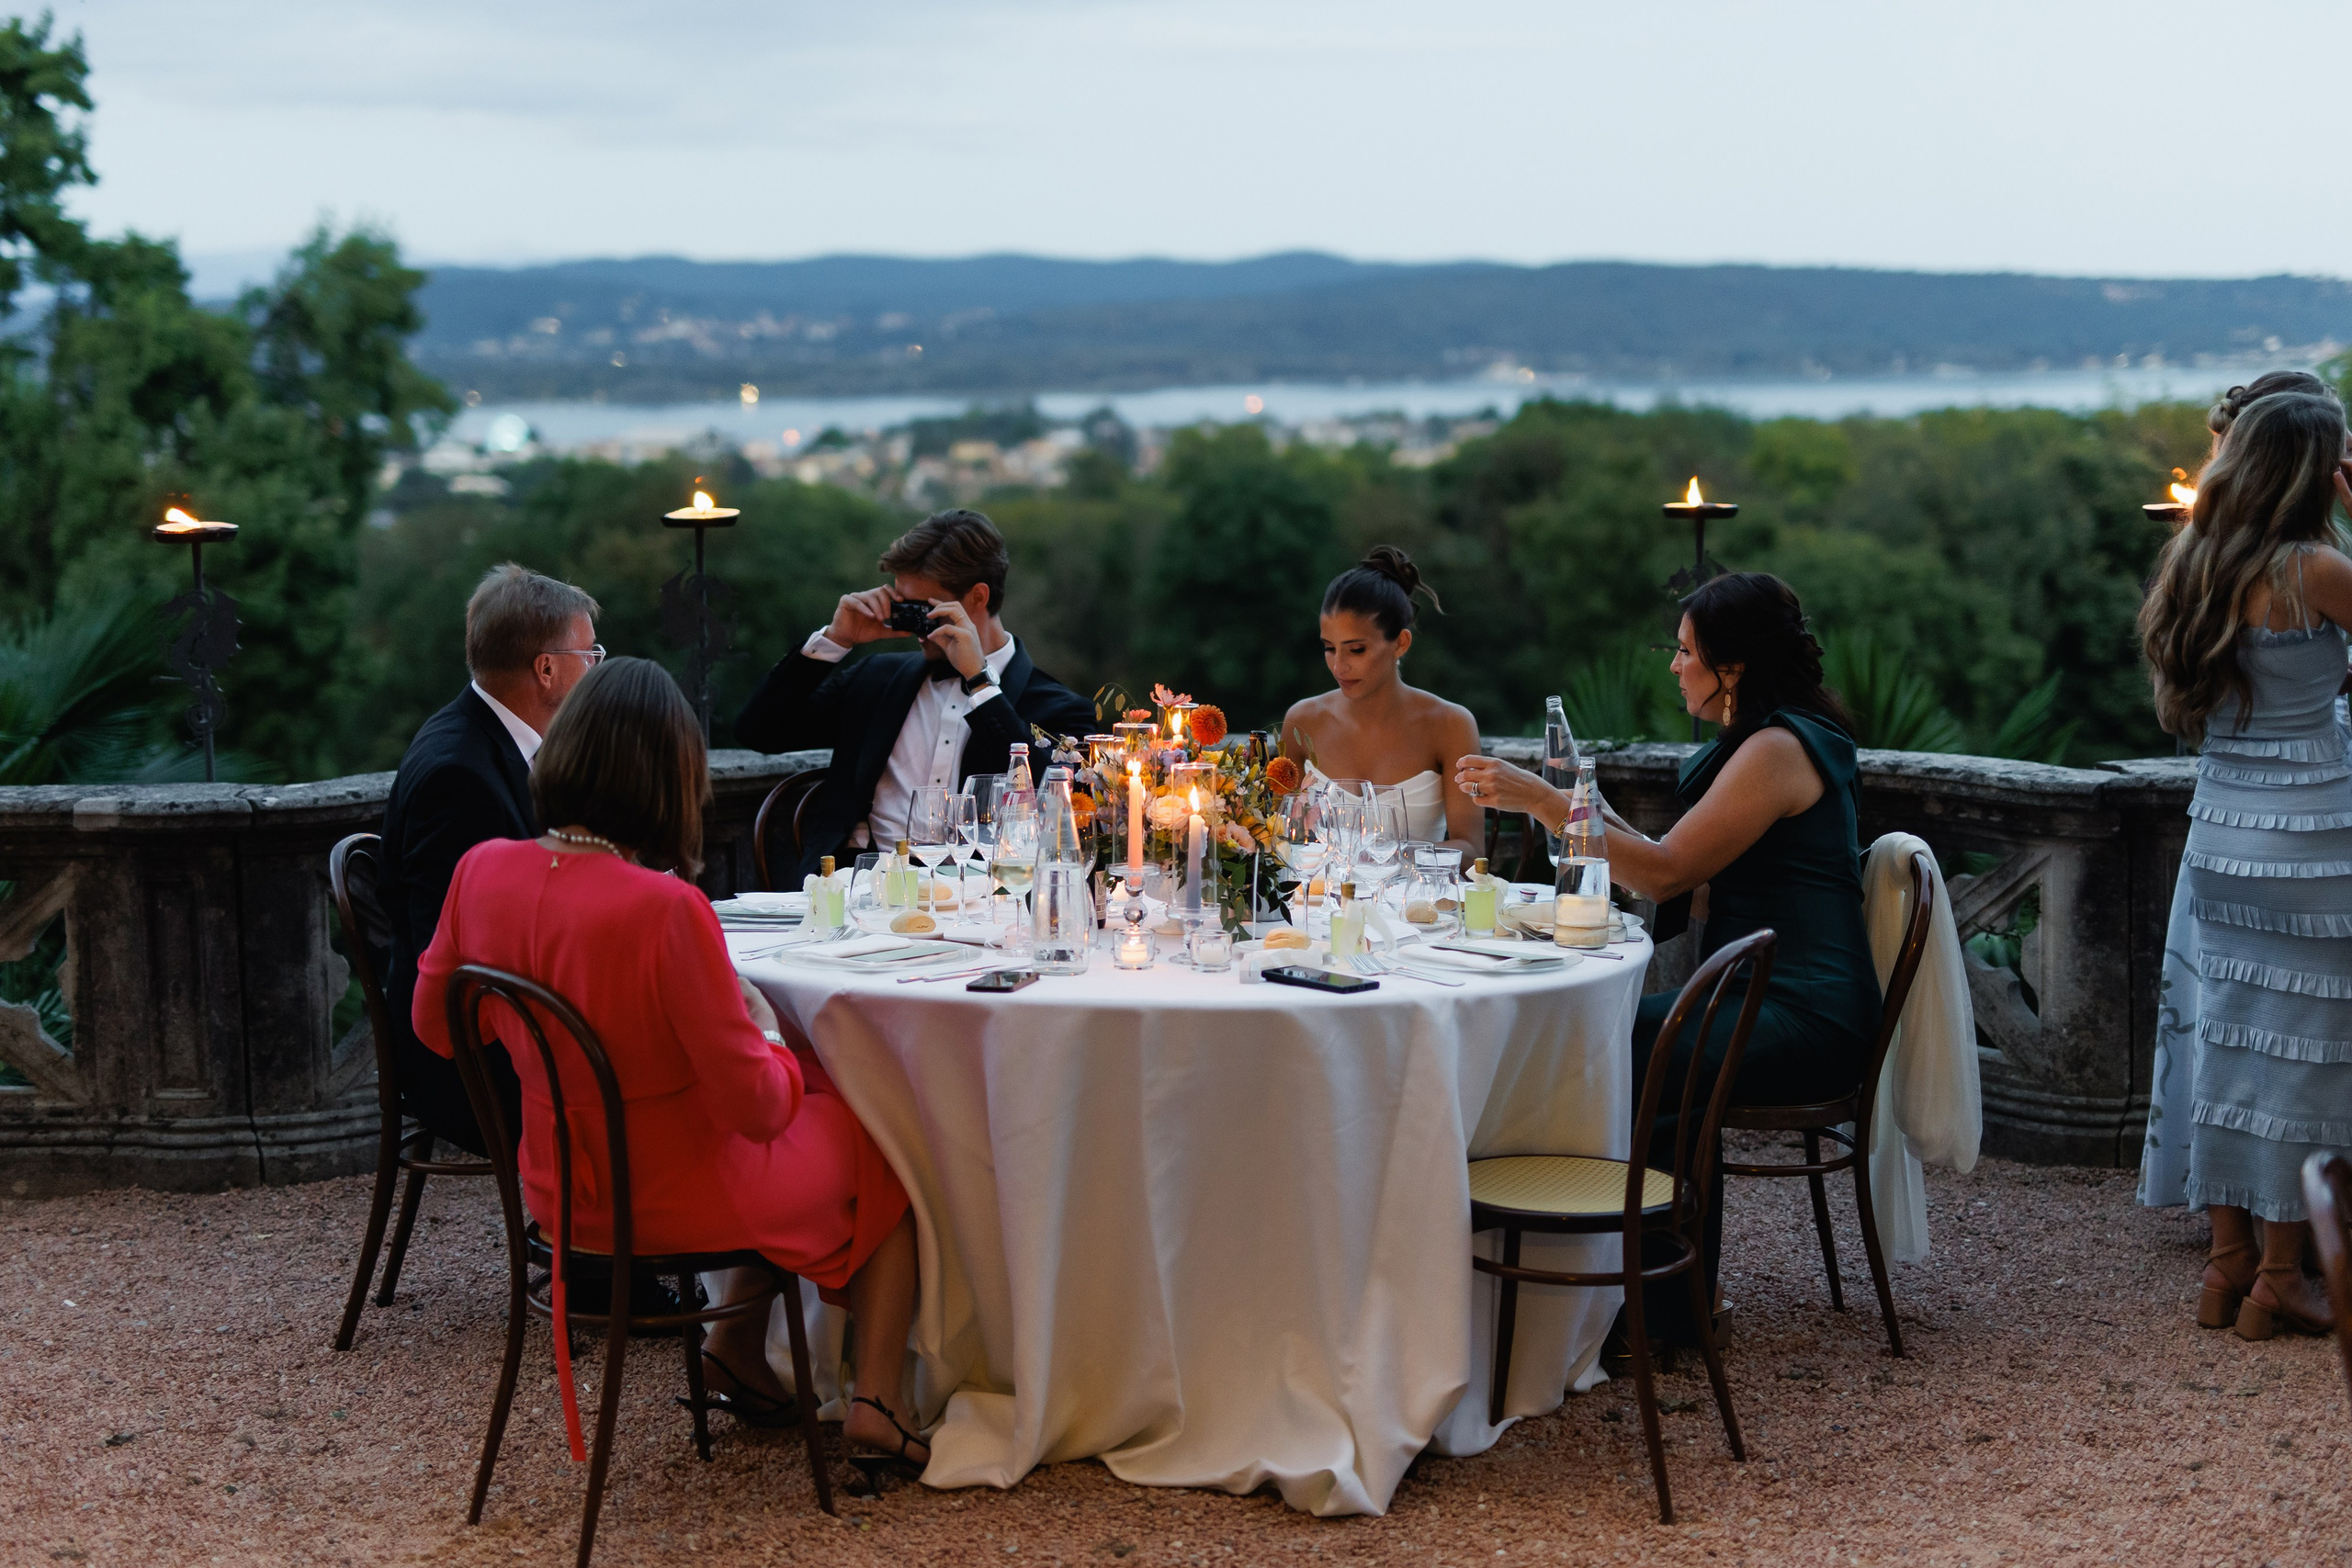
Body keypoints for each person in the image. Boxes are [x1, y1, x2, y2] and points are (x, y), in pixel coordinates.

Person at [413, 657, 929, 1473]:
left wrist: (529, 1020)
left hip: (558, 1188)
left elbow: (436, 1029)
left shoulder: (481, 870)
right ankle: (879, 1404)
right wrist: (764, 1028)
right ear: (669, 777)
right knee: (879, 1147)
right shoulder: (663, 909)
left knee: (795, 1123)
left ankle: (735, 1351)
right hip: (672, 1197)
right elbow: (757, 1110)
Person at [1453, 571, 1882, 1340]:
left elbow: (1663, 873)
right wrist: (1577, 792)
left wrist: (1549, 803)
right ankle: (1652, 1295)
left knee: (1613, 1051)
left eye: (1685, 651)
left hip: (1806, 1011)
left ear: (1735, 666)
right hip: (1760, 994)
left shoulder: (1779, 749)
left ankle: (1653, 1305)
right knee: (1599, 1042)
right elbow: (1664, 854)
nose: (1674, 664)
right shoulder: (1768, 738)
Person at [2136, 387, 2352, 1340]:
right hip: (2313, 842)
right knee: (2307, 1060)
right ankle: (2278, 1274)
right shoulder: (2316, 568)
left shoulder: (2191, 561)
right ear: (2314, 472)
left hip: (2220, 832)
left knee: (2230, 1044)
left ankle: (2223, 1267)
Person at [734, 508, 1095, 883]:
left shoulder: (1061, 709)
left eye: (925, 610)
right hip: (856, 890)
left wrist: (981, 684)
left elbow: (1056, 812)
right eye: (903, 607)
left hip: (986, 899)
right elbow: (758, 731)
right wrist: (834, 641)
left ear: (977, 597)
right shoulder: (876, 679)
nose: (916, 627)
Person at [379, 564, 600, 1158]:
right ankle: (623, 1234)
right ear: (547, 668)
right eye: (591, 653)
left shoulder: (494, 742)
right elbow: (456, 964)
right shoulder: (461, 774)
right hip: (469, 1068)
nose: (597, 669)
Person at [1279, 547, 1483, 857]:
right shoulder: (1303, 721)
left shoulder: (1450, 724)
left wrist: (1382, 858)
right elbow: (1278, 838)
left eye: (1356, 649)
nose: (1339, 666)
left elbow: (1471, 853)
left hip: (1417, 903)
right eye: (1329, 648)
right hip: (1323, 903)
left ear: (1400, 643)